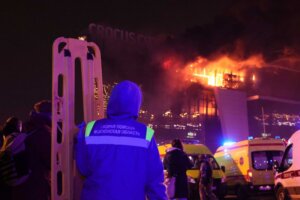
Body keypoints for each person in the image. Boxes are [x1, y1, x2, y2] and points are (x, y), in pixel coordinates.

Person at [76, 80, 167, 200]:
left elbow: (83, 168)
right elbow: (154, 182)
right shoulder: (145, 134)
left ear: (112, 100)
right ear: (137, 104)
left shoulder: (90, 129)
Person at [12, 100, 52, 200]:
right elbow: (50, 161)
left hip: (19, 185)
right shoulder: (42, 133)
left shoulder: (27, 129)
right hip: (35, 186)